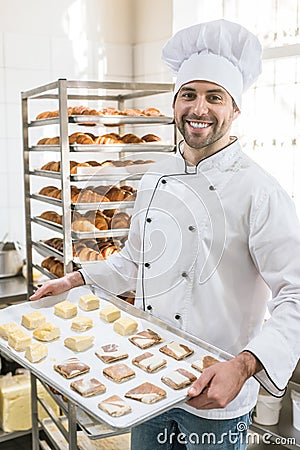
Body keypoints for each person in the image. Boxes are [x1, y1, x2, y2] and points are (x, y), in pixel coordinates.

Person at [31, 19, 300, 450]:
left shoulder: (260, 190)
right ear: (174, 104)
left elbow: (296, 294)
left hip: (216, 395)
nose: (199, 109)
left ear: (234, 110)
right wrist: (74, 279)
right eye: (188, 95)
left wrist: (244, 366)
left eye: (215, 97)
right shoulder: (155, 175)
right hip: (147, 381)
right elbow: (134, 261)